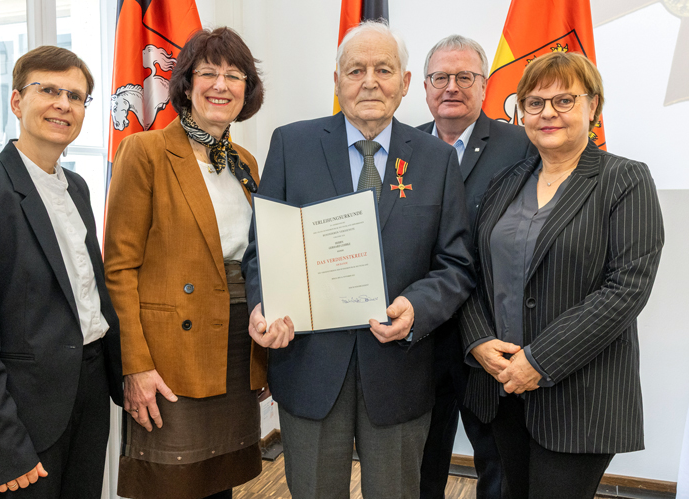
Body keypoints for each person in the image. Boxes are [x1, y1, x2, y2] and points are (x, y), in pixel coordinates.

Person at [242, 21, 474, 499]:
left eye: (383, 69)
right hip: (309, 365)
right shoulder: (292, 144)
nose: (369, 81)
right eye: (356, 70)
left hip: (399, 369)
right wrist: (264, 306)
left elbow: (456, 263)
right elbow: (262, 250)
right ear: (337, 80)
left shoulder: (435, 158)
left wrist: (417, 308)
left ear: (406, 83)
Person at [459, 51, 664, 499]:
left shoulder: (625, 180)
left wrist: (539, 361)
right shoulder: (505, 181)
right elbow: (472, 271)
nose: (547, 112)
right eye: (534, 102)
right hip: (500, 389)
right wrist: (477, 340)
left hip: (579, 398)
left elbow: (626, 288)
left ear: (594, 108)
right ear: (522, 114)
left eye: (564, 100)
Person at [0, 45, 123, 498]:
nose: (63, 104)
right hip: (22, 412)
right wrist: (1, 443)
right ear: (17, 102)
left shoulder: (76, 187)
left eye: (76, 97)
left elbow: (85, 293)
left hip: (89, 391)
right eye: (49, 90)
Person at [103, 27, 266, 499]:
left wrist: (264, 360)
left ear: (247, 90)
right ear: (186, 84)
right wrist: (134, 367)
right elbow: (119, 269)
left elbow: (258, 261)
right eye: (208, 72)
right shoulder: (146, 151)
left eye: (234, 75)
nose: (221, 85)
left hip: (236, 343)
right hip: (170, 354)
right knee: (170, 485)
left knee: (219, 484)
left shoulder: (246, 162)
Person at [416, 35, 534, 499]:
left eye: (465, 76)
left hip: (491, 337)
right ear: (423, 86)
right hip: (420, 338)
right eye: (441, 76)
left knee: (498, 466)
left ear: (485, 86)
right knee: (421, 465)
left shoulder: (521, 144)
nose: (452, 86)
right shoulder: (403, 148)